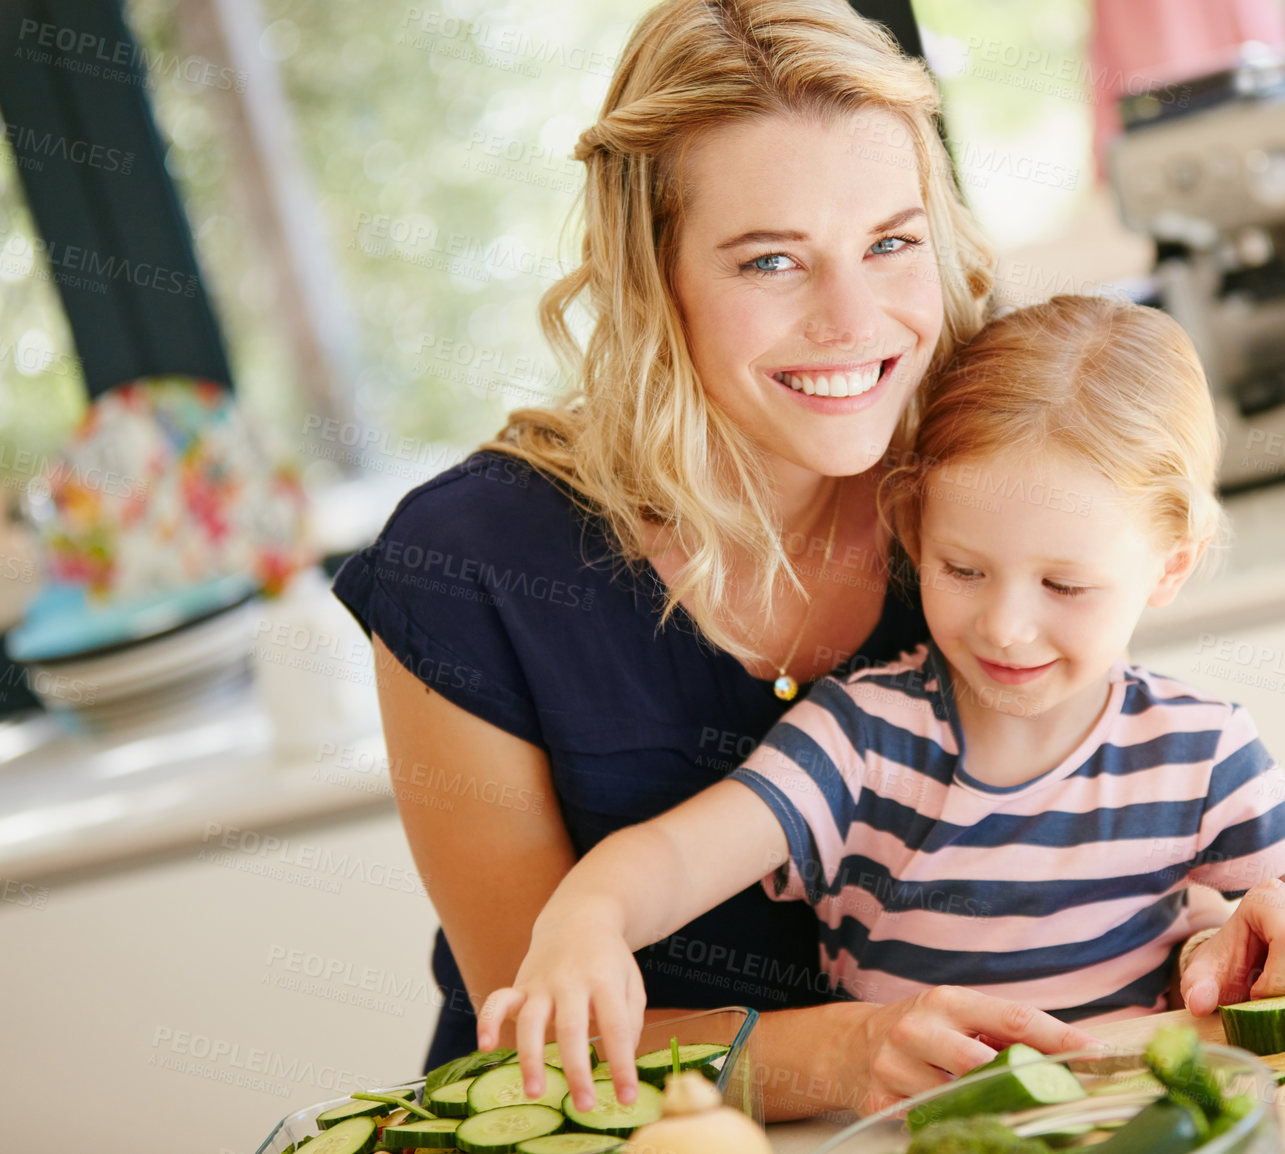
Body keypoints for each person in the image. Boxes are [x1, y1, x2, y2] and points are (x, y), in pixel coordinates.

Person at [476, 295, 1285, 1116]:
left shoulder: (1197, 747)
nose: (1005, 625)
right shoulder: (860, 737)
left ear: (1170, 567)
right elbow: (662, 863)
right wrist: (580, 923)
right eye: (962, 569)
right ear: (910, 530)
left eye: (1067, 584)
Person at [333, 0, 1113, 1123]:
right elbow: (532, 1031)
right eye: (770, 262)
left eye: (890, 243)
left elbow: (1107, 798)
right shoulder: (472, 567)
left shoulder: (988, 476)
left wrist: (1238, 914)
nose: (855, 320)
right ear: (657, 276)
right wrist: (846, 1052)